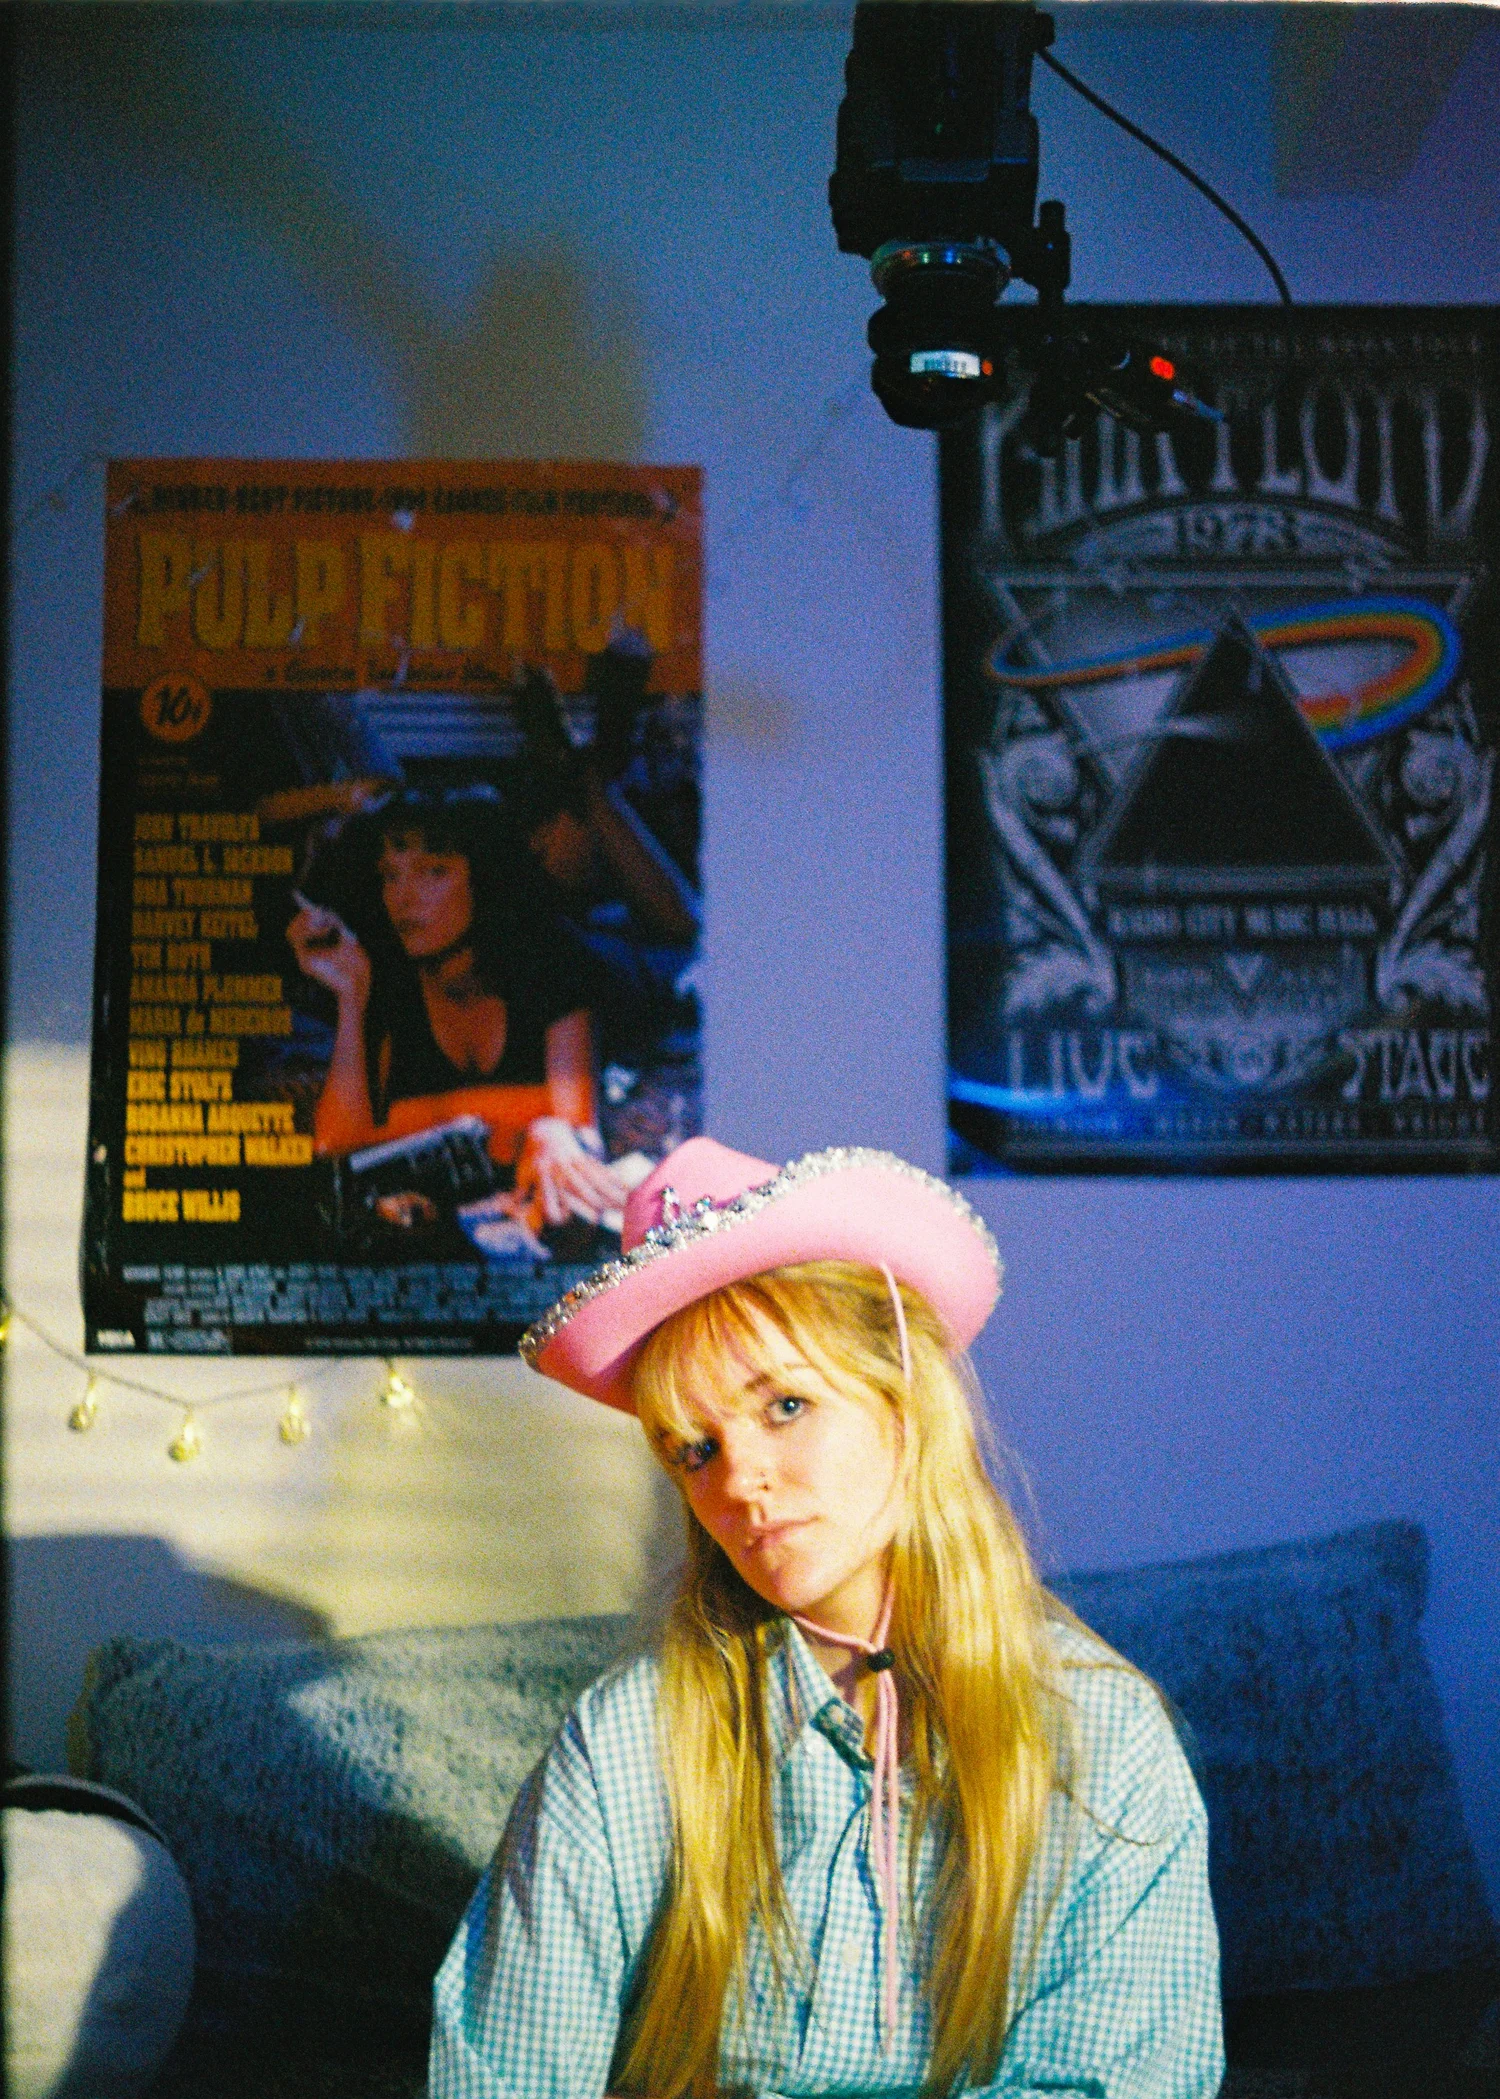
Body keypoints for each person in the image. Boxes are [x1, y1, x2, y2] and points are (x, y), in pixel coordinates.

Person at [429, 1137, 1224, 2097]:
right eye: (694, 1448)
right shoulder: (628, 1747)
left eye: (787, 1404)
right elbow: (504, 2076)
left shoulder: (1101, 1741)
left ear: (904, 1397)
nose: (739, 1481)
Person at [286, 786, 628, 1235]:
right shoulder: (386, 980)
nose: (404, 898)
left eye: (433, 871)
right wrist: (351, 997)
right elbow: (335, 1144)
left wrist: (544, 1129)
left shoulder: (555, 968)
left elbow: (574, 1137)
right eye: (390, 876)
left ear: (485, 877)